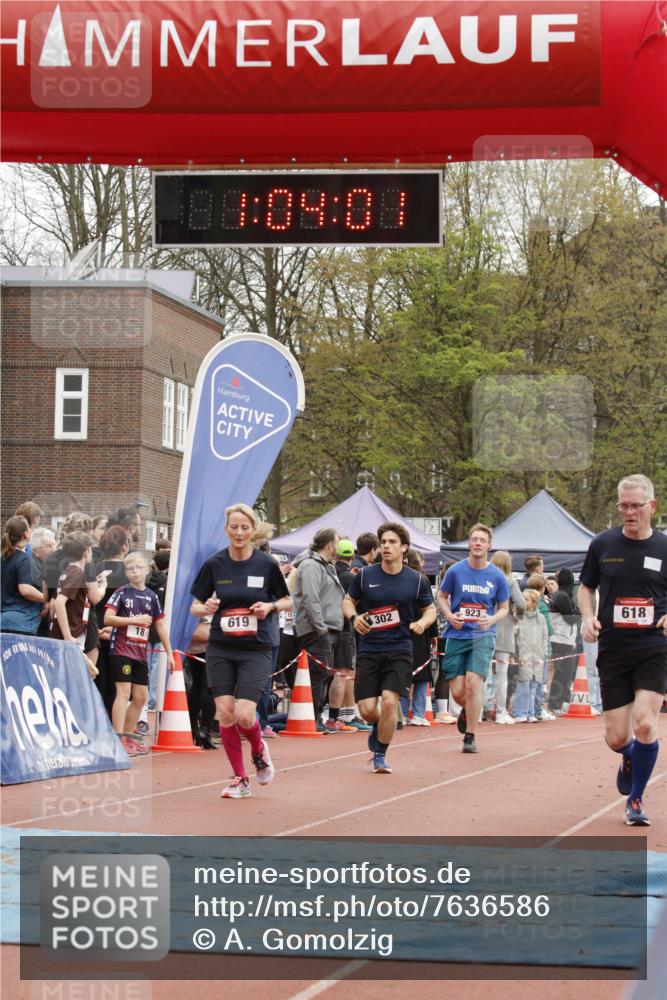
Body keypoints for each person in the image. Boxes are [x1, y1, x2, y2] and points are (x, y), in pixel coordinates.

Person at [578, 474, 667, 827]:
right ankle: (628, 756)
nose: (629, 513)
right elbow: (586, 588)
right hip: (613, 647)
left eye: (635, 506)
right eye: (623, 506)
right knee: (617, 737)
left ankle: (635, 799)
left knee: (646, 724)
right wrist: (587, 616)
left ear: (652, 506)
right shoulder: (602, 545)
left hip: (654, 646)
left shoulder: (664, 547)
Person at [190, 503, 291, 799]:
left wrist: (270, 606)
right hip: (221, 645)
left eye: (244, 527)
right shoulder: (214, 564)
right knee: (225, 712)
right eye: (233, 527)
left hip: (256, 647)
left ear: (252, 530)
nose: (239, 532)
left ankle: (259, 750)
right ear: (226, 530)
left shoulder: (266, 565)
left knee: (246, 715)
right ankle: (240, 778)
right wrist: (204, 607)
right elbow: (194, 606)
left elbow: (287, 601)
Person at [344, 522, 436, 773]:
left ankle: (380, 755)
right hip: (370, 649)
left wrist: (422, 623)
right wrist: (354, 619)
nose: (386, 546)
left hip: (400, 650)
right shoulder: (365, 575)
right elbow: (348, 601)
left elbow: (430, 610)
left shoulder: (417, 581)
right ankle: (378, 727)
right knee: (366, 711)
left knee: (389, 702)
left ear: (404, 547)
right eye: (383, 542)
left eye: (392, 542)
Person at [438, 524, 510, 753]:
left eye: (482, 540)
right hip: (457, 634)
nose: (477, 543)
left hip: (482, 635)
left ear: (489, 545)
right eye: (474, 539)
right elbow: (441, 596)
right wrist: (449, 615)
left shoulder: (497, 576)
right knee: (458, 691)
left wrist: (491, 620)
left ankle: (470, 736)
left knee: (473, 684)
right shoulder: (456, 571)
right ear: (469, 544)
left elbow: (504, 608)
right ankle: (467, 712)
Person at [105, 551, 175, 757]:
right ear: (126, 572)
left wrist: (169, 652)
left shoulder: (152, 597)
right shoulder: (121, 592)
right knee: (124, 693)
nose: (134, 572)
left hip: (140, 652)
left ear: (147, 570)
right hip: (121, 649)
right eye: (130, 569)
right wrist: (132, 621)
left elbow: (160, 625)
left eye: (138, 568)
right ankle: (117, 738)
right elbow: (108, 619)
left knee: (141, 697)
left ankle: (127, 736)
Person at [293, 528, 348, 734]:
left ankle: (315, 717)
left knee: (324, 674)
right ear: (329, 545)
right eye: (337, 542)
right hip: (318, 630)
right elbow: (310, 598)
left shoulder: (326, 566)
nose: (339, 546)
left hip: (329, 627)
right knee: (318, 674)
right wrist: (321, 628)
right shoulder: (311, 565)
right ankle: (312, 718)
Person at [51, 532, 104, 651]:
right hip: (71, 633)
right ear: (86, 552)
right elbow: (59, 602)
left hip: (62, 631)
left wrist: (54, 627)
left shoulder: (67, 571)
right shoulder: (77, 573)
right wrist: (67, 635)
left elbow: (52, 603)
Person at [489, 550, 525, 724]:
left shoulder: (485, 578)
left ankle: (481, 709)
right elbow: (521, 603)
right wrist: (519, 617)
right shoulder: (510, 581)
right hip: (505, 628)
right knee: (502, 673)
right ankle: (500, 711)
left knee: (483, 673)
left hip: (484, 629)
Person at [1, 516, 45, 635]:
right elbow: (25, 589)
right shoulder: (24, 559)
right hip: (22, 623)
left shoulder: (2, 558)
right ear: (26, 534)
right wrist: (45, 597)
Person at [512, 589, 549, 722]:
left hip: (537, 656)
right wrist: (516, 655)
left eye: (526, 599)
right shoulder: (518, 616)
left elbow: (545, 636)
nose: (523, 601)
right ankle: (519, 713)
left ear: (534, 603)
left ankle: (531, 712)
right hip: (523, 655)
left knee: (534, 685)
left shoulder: (541, 618)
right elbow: (513, 634)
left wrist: (543, 653)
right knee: (523, 684)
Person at [547, 568, 579, 715]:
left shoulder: (563, 595)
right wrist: (578, 611)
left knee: (564, 673)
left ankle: (562, 701)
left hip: (564, 638)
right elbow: (570, 618)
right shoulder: (562, 596)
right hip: (560, 638)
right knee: (561, 673)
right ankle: (555, 704)